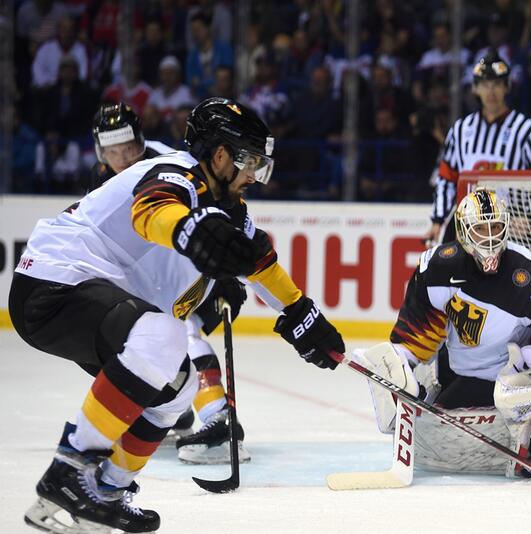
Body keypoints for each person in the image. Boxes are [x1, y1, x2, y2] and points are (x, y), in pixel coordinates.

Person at [10, 97, 346, 533]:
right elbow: (152, 211)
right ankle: (69, 472)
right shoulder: (176, 169)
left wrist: (303, 316)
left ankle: (107, 488)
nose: (254, 176)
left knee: (178, 388)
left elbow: (258, 262)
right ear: (221, 155)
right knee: (165, 337)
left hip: (88, 291)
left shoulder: (228, 206)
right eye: (250, 162)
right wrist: (194, 233)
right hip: (53, 284)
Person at [89, 101, 250, 465]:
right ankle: (174, 409)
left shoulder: (170, 162)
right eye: (113, 151)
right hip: (151, 273)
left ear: (141, 141)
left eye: (128, 148)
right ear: (102, 152)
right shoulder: (102, 180)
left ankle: (220, 422)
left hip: (187, 264)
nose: (123, 158)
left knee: (184, 333)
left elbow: (222, 211)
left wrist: (226, 270)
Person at [362, 188, 531, 474]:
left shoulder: (528, 275)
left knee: (513, 402)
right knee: (428, 428)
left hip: (504, 381)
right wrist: (402, 367)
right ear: (464, 231)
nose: (491, 236)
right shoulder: (437, 268)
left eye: (496, 227)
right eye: (481, 228)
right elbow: (416, 334)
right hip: (461, 374)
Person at [424, 50, 531, 247]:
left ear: (506, 87)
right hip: (467, 226)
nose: (491, 92)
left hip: (511, 227)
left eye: (497, 85)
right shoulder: (461, 130)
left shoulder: (526, 131)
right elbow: (446, 178)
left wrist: (529, 217)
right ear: (475, 89)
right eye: (485, 85)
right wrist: (437, 219)